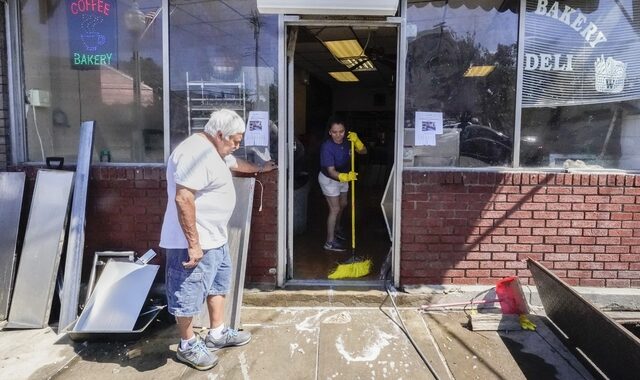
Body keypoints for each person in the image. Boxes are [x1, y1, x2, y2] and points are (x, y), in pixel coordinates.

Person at [160, 109, 276, 371]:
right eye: (235, 140)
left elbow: (236, 164)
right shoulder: (193, 152)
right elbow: (183, 198)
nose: (237, 145)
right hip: (192, 242)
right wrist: (193, 243)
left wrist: (259, 169)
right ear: (220, 134)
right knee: (187, 294)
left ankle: (217, 333)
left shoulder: (217, 151)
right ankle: (187, 345)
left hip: (216, 238)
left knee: (217, 285)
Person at [318, 117, 367, 251]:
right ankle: (329, 242)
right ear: (329, 132)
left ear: (345, 131)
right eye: (335, 132)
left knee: (343, 204)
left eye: (341, 131)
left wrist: (357, 142)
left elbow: (364, 152)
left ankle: (337, 228)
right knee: (335, 209)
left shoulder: (348, 141)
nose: (338, 135)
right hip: (330, 179)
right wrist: (345, 176)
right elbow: (331, 171)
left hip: (344, 178)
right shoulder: (327, 147)